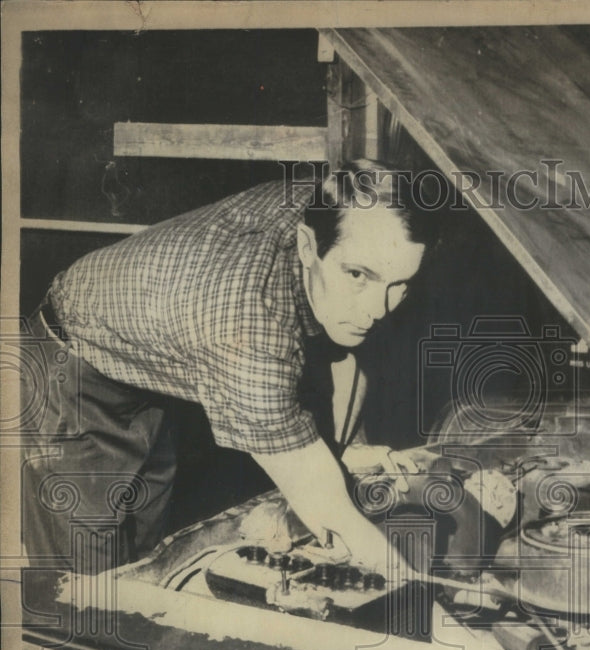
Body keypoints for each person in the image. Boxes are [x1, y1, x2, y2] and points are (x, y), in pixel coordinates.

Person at [22, 160, 438, 576]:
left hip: (144, 358)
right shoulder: (248, 330)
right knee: (82, 588)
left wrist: (344, 449)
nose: (378, 310)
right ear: (308, 247)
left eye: (399, 284)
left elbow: (346, 359)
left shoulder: (339, 200)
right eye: (358, 276)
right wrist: (419, 595)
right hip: (70, 365)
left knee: (147, 560)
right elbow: (329, 511)